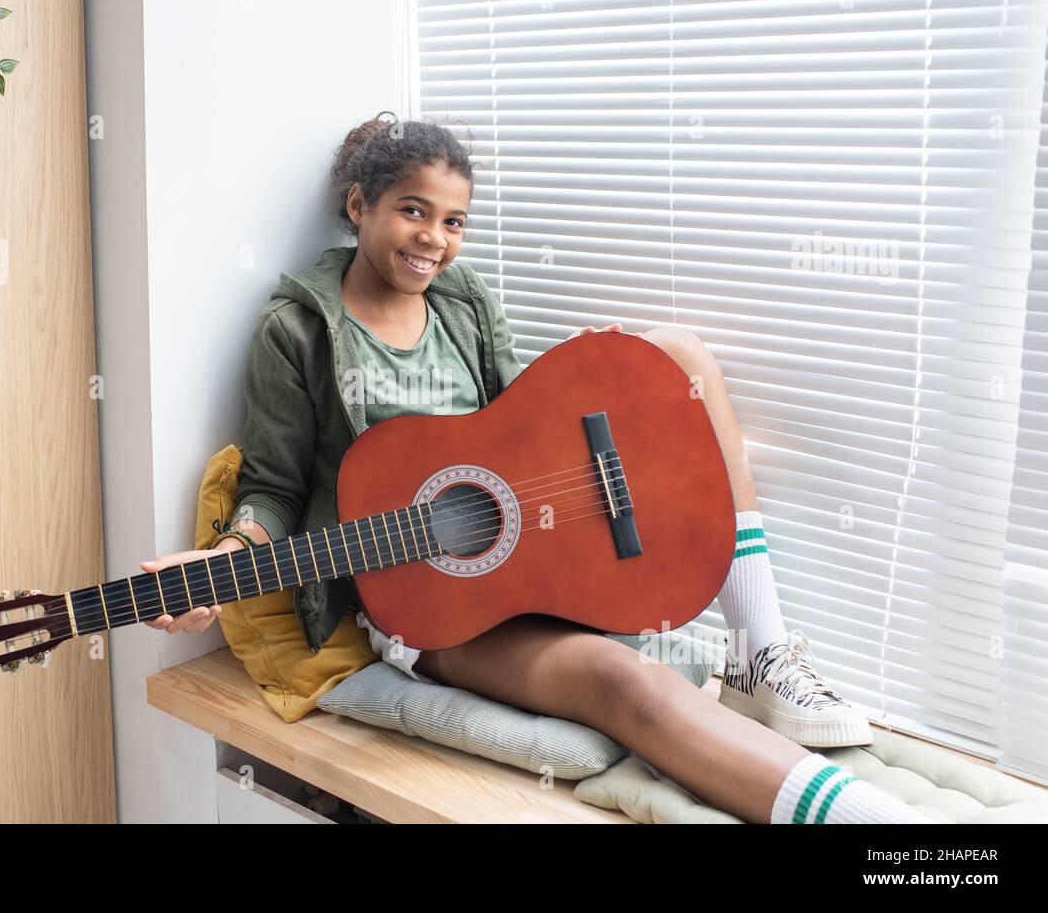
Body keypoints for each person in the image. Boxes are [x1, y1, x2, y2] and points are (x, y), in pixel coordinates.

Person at [142, 112, 931, 825]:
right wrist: (225, 561)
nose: (433, 239)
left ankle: (762, 649)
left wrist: (599, 381)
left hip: (537, 543)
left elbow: (515, 420)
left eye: (454, 221)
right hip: (433, 607)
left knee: (679, 354)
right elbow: (274, 486)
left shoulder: (463, 298)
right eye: (412, 211)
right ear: (359, 208)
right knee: (627, 686)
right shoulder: (296, 332)